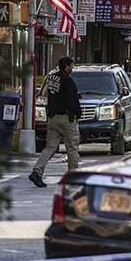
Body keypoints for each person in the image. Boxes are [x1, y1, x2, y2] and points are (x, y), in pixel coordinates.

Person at [29, 56, 81, 188]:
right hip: (66, 119)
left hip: (52, 118)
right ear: (66, 66)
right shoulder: (68, 82)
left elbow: (46, 94)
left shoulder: (52, 78)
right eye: (71, 66)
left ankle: (37, 171)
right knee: (72, 147)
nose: (72, 69)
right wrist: (78, 112)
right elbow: (72, 101)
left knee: (50, 147)